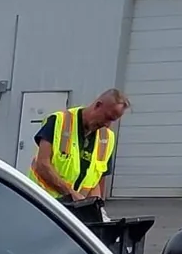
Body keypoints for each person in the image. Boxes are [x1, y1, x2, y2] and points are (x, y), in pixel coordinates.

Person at [30, 89, 128, 224]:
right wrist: (71, 194)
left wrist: (96, 210)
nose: (107, 124)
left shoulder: (106, 138)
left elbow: (97, 182)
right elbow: (42, 164)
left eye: (112, 120)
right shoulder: (59, 121)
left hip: (74, 214)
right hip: (42, 205)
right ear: (98, 105)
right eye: (107, 117)